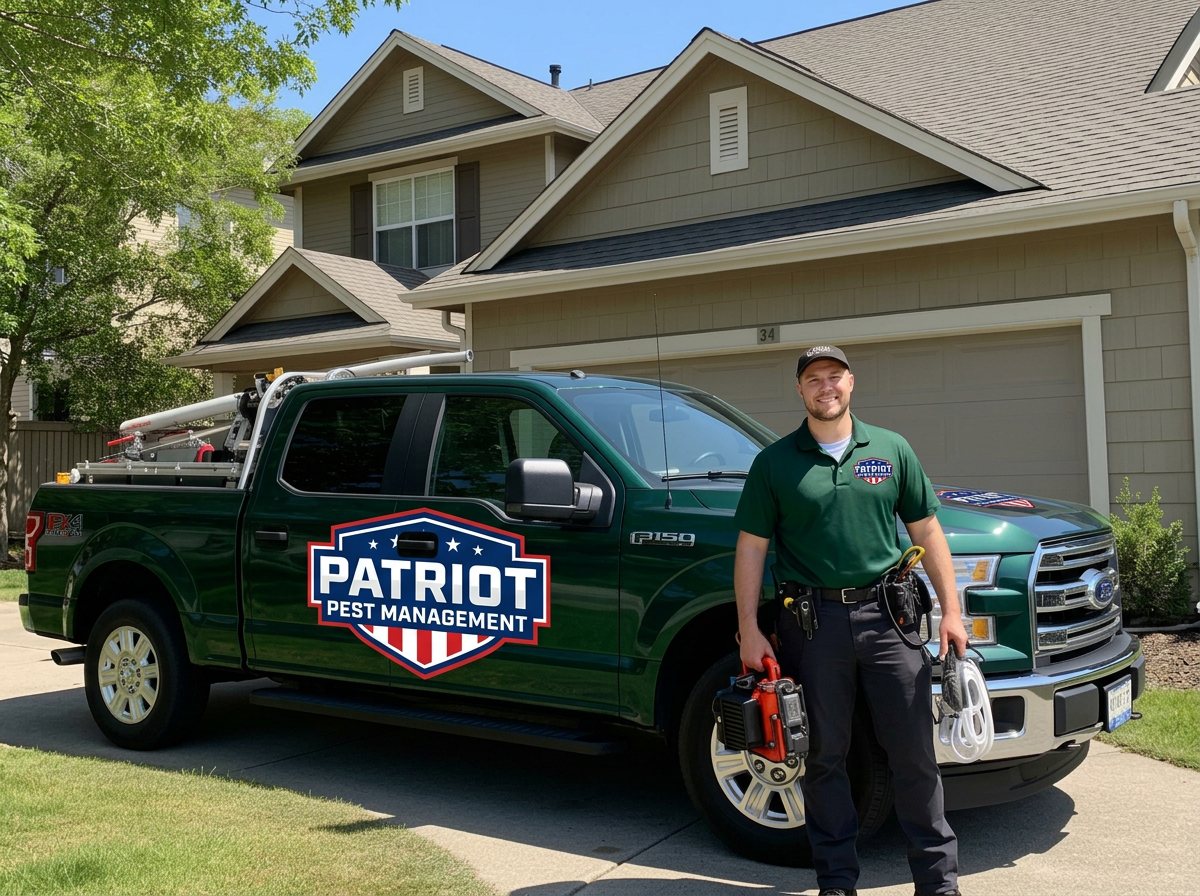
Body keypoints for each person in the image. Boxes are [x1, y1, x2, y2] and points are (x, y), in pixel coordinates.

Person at [733, 344, 969, 896]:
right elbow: (751, 548)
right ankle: (836, 884)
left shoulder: (890, 450)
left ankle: (939, 884)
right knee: (823, 757)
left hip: (889, 620)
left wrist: (953, 612)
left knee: (914, 755)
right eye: (814, 379)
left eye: (834, 377)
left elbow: (926, 530)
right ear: (800, 390)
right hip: (812, 628)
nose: (825, 387)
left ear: (851, 383)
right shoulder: (775, 462)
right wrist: (748, 625)